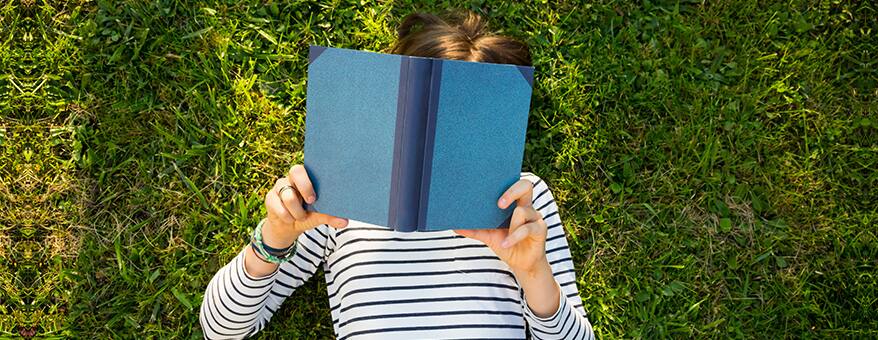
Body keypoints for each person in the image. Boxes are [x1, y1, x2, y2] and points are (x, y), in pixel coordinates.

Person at [200, 11, 594, 340]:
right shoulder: (335, 194)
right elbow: (221, 329)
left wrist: (533, 273)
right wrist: (273, 239)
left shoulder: (520, 202)